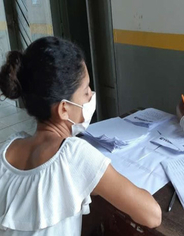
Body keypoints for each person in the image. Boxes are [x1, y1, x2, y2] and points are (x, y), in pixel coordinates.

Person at [0, 37, 161, 235]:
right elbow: (152, 215)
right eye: (86, 92)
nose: (91, 96)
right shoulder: (74, 155)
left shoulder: (6, 149)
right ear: (64, 109)